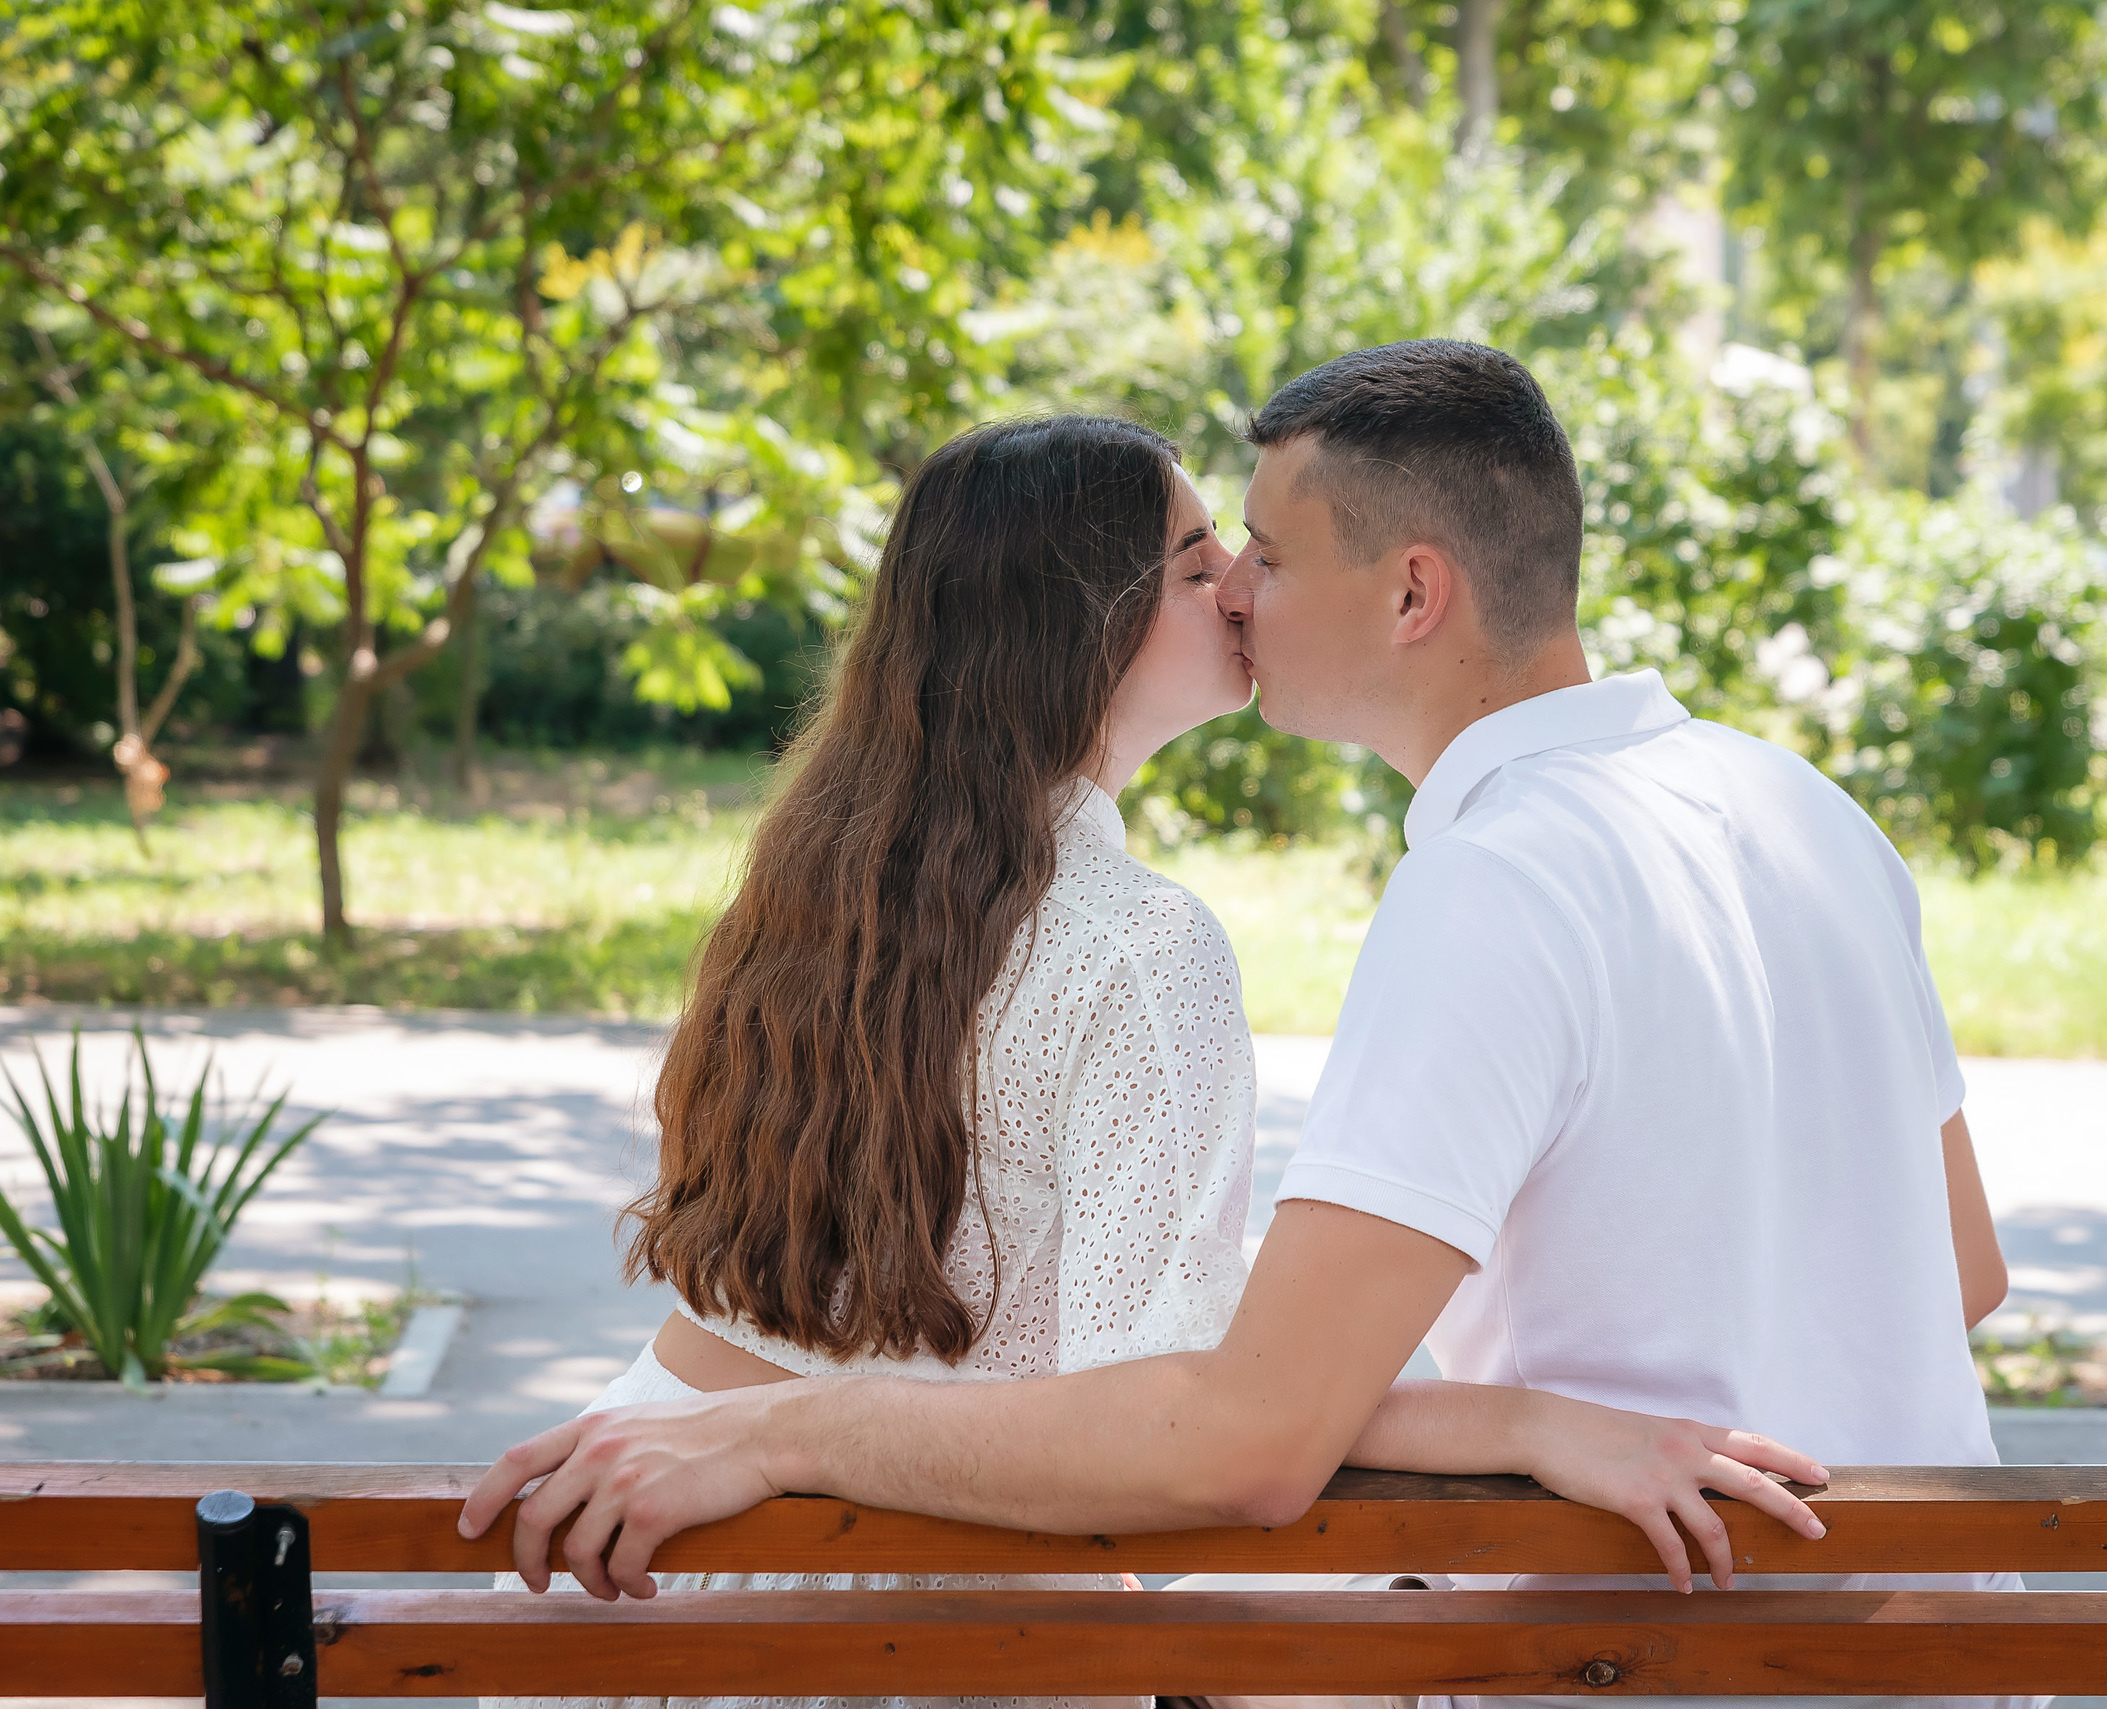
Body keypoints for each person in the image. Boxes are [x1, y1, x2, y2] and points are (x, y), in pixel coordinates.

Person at [465, 346, 2016, 1709]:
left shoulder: (843, 889)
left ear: (1414, 592)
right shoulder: (1804, 807)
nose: (1238, 590)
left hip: (1641, 1650)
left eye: (1256, 549)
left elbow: (1242, 1427)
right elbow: (1966, 1270)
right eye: (1208, 554)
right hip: (1924, 1636)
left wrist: (790, 1428)